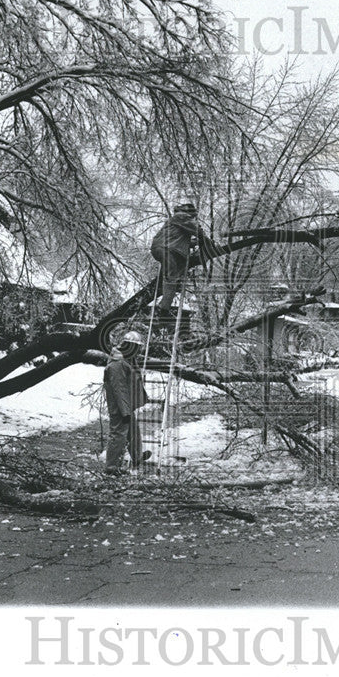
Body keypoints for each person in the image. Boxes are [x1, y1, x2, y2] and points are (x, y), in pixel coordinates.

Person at [150, 202, 218, 316]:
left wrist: (194, 243)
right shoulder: (182, 216)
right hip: (167, 249)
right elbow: (198, 231)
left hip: (166, 248)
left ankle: (163, 304)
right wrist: (208, 243)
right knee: (171, 276)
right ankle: (163, 309)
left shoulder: (178, 221)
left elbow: (179, 238)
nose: (193, 218)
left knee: (172, 277)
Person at [103, 330, 150, 475]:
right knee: (118, 434)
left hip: (126, 404)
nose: (138, 351)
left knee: (133, 431)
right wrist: (125, 411)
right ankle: (111, 467)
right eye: (136, 347)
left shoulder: (126, 359)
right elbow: (119, 389)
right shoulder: (117, 364)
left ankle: (136, 457)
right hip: (120, 406)